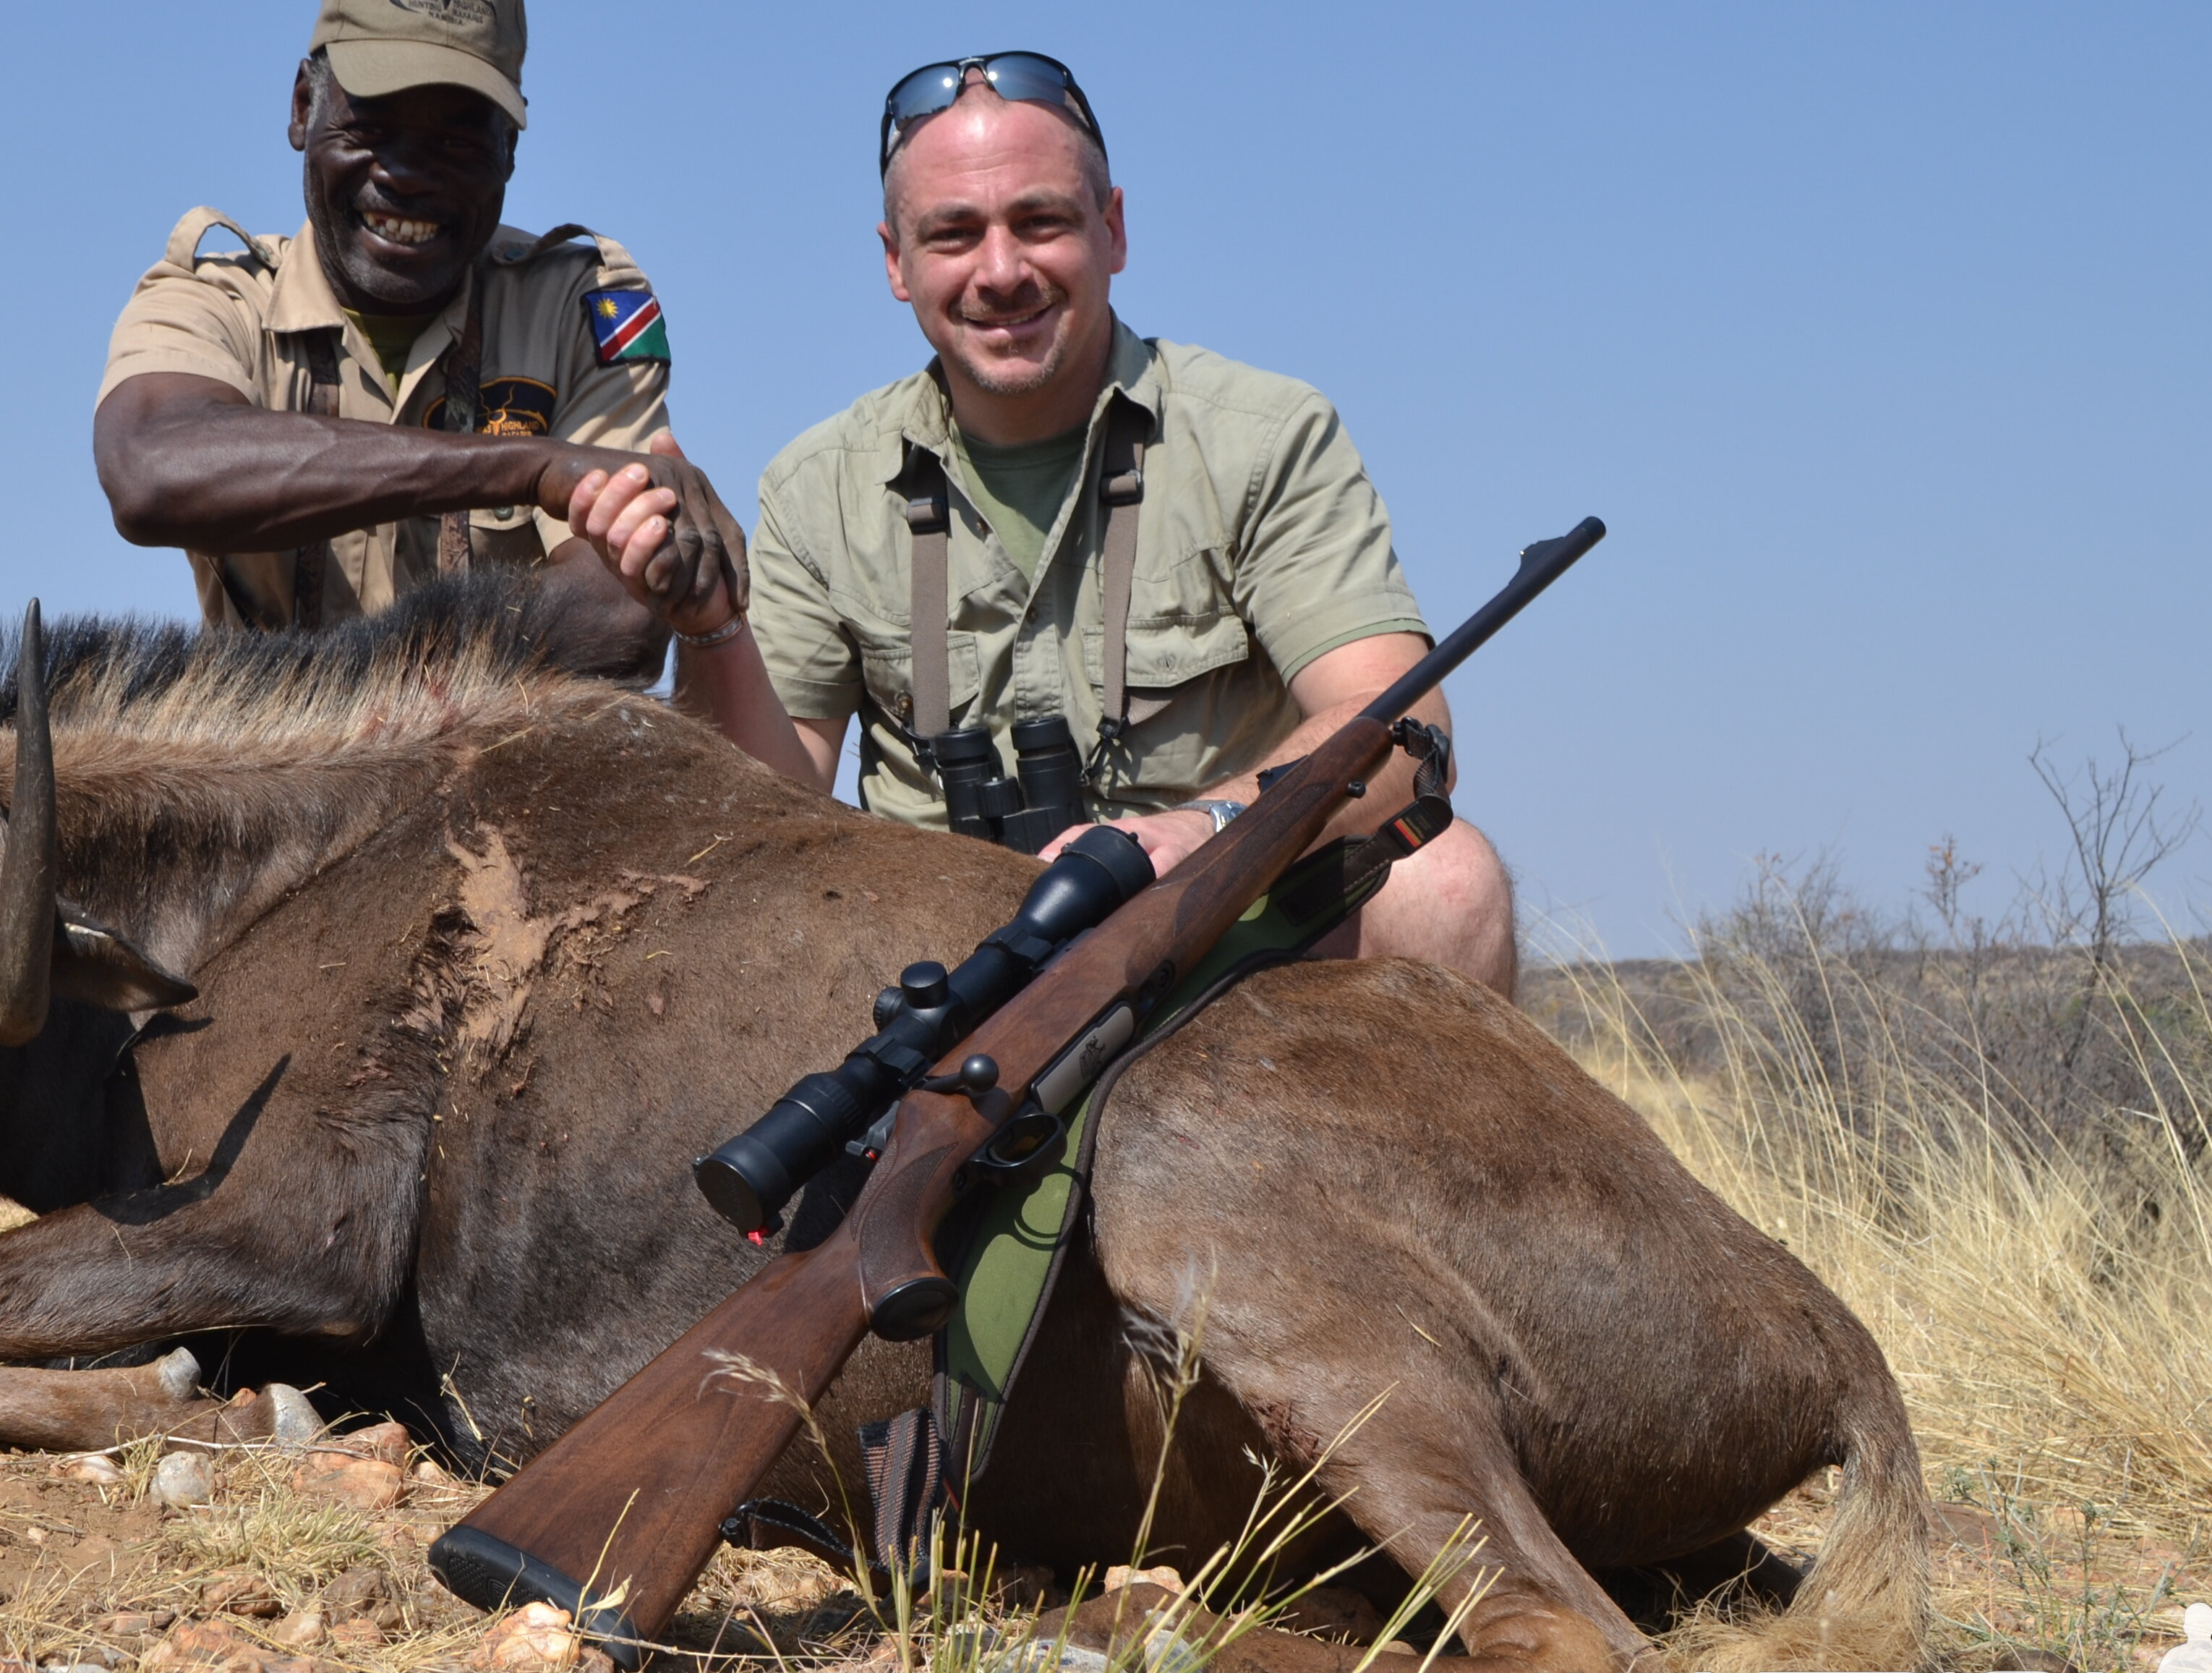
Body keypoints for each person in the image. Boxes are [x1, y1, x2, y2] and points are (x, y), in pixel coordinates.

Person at [566, 51, 1515, 992]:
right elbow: (772, 804)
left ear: (1114, 229)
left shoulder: (1264, 436)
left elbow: (1402, 724)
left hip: (1221, 914)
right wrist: (711, 626)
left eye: (1041, 222)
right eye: (953, 235)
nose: (1002, 271)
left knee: (1448, 881)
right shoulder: (818, 483)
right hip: (933, 957)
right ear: (897, 264)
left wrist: (1203, 828)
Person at [97, 0, 736, 668]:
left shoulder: (578, 304)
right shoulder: (216, 299)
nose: (406, 174)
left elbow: (620, 613)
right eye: (371, 125)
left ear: (511, 151)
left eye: (459, 141)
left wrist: (368, 721)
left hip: (504, 775)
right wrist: (527, 468)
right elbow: (149, 471)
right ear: (304, 107)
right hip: (260, 781)